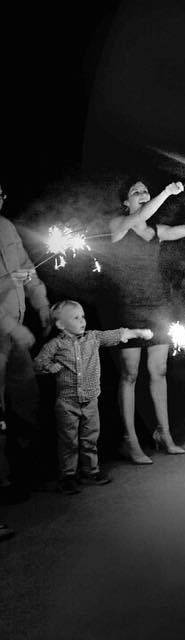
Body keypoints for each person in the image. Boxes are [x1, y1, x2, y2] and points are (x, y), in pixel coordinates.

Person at [106, 178, 185, 463]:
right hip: (129, 307)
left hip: (157, 305)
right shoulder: (117, 226)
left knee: (158, 371)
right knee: (130, 374)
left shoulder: (155, 231)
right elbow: (139, 216)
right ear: (126, 202)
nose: (143, 194)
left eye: (146, 190)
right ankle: (130, 440)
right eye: (136, 192)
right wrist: (165, 193)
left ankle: (164, 433)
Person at [33, 301, 153, 494]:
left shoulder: (93, 338)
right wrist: (49, 367)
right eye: (76, 318)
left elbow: (115, 335)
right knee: (68, 441)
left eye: (83, 316)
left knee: (90, 438)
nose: (82, 321)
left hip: (90, 400)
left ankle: (90, 471)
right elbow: (38, 363)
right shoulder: (55, 345)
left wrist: (137, 333)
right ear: (61, 325)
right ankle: (68, 476)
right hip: (67, 402)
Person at [0, 182, 50, 494]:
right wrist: (15, 328)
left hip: (15, 335)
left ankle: (24, 474)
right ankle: (3, 482)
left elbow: (27, 268)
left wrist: (41, 303)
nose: (1, 198)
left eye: (2, 192)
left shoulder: (6, 226)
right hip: (4, 333)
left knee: (25, 402)